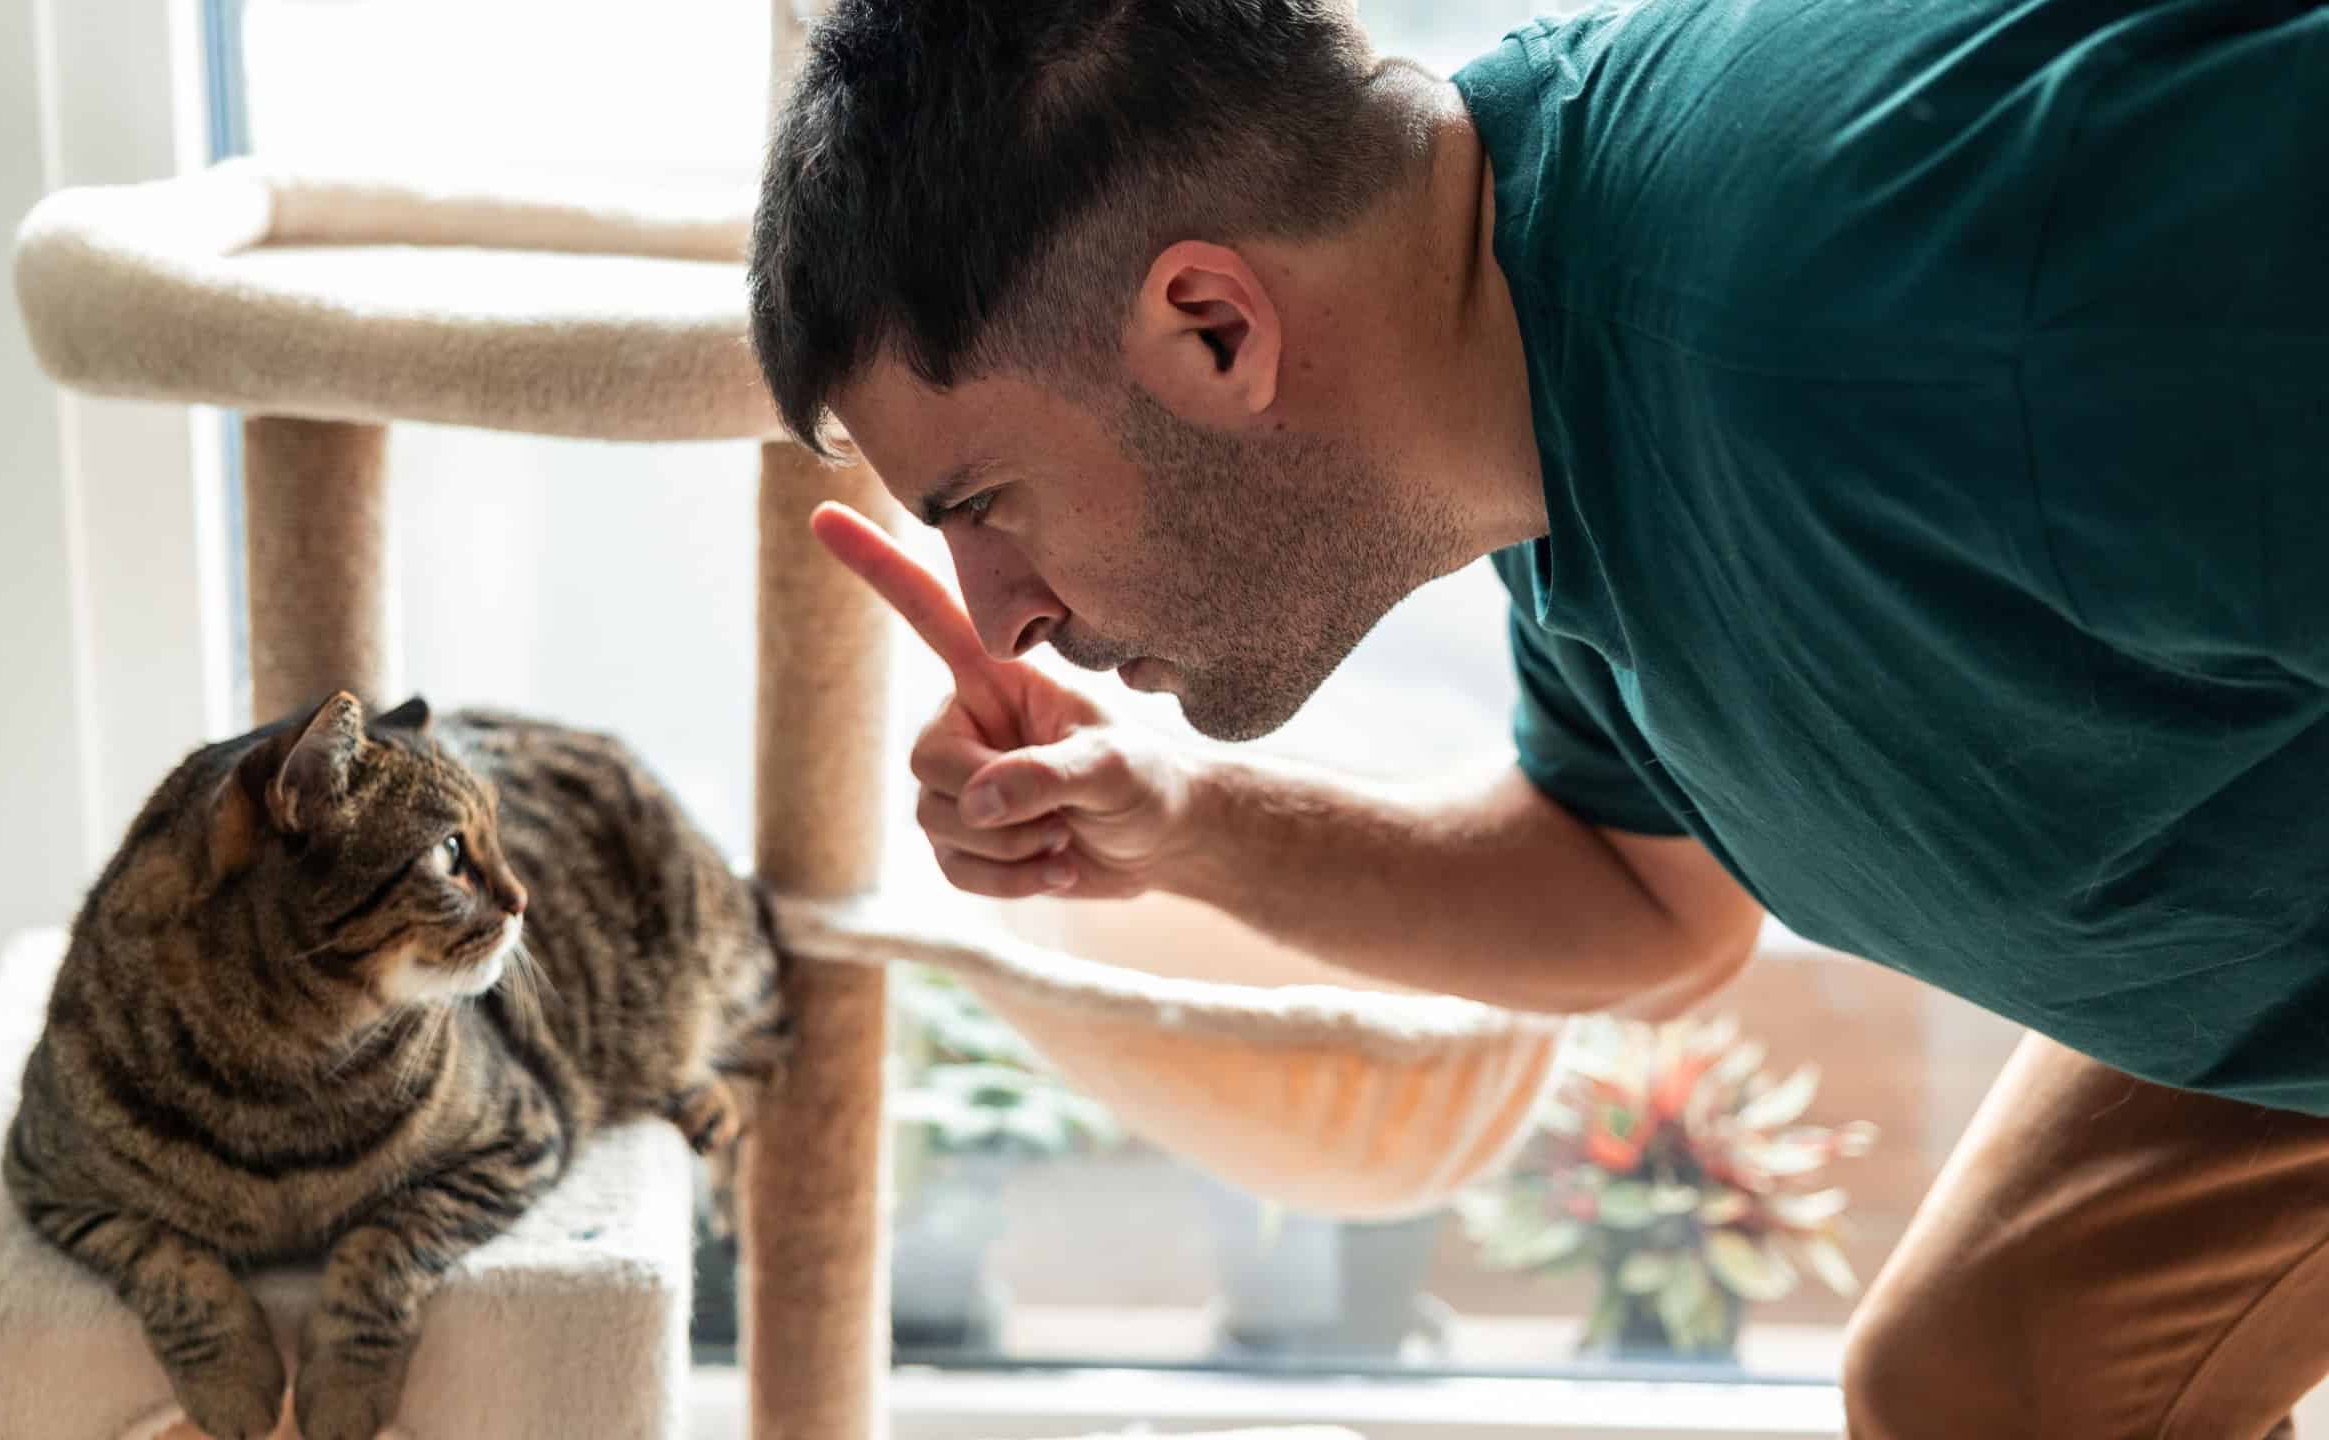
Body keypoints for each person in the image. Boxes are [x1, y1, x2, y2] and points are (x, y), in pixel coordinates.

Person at [745, 0, 2329, 1433]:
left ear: (1214, 327)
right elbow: (1643, 903)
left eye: (985, 501)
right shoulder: (1521, 361)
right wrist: (1174, 826)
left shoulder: (1946, 305)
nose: (1001, 612)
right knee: (1991, 1392)